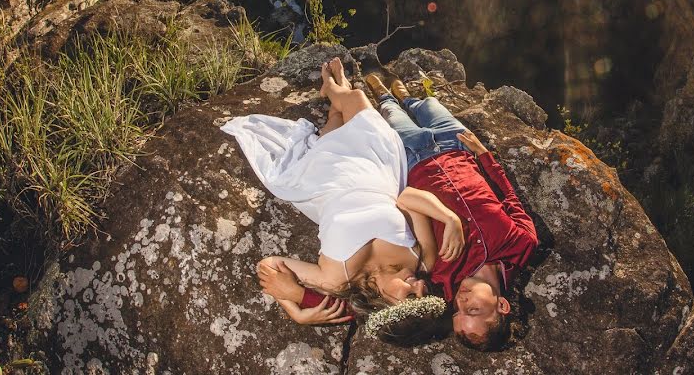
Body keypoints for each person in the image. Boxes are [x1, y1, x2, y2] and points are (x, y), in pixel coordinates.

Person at [261, 66, 539, 351]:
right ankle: (397, 96)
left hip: (409, 160)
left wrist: (299, 304)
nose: (461, 302)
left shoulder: (441, 278)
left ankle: (358, 98)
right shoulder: (522, 244)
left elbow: (373, 313)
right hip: (457, 148)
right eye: (473, 310)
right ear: (501, 304)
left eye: (457, 311)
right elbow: (510, 198)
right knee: (425, 104)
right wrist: (484, 155)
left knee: (370, 113)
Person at [221, 58, 465, 323]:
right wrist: (449, 218)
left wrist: (296, 309)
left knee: (332, 129)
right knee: (357, 100)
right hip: (374, 170)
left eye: (411, 296)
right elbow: (407, 199)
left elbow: (269, 265)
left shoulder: (336, 280)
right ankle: (336, 89)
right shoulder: (421, 259)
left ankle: (334, 96)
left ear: (385, 305)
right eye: (425, 292)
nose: (418, 284)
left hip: (327, 181)